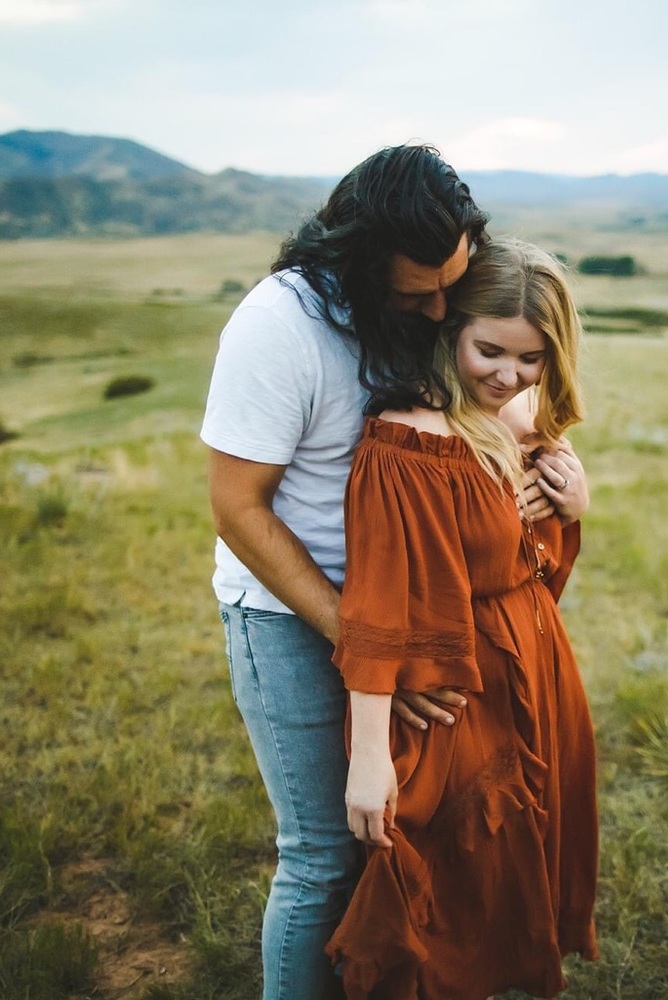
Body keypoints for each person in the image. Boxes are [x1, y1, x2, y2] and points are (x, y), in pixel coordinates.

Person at [200, 145, 559, 1000]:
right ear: (354, 260)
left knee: (396, 849)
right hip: (290, 616)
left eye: (451, 285)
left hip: (406, 612)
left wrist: (560, 468)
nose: (440, 309)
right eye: (418, 293)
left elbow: (495, 398)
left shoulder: (430, 300)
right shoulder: (277, 326)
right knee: (324, 856)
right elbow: (237, 508)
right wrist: (372, 646)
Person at [325, 237, 599, 1000]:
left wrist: (573, 505)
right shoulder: (407, 441)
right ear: (450, 329)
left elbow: (529, 567)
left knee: (510, 884)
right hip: (459, 698)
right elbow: (376, 606)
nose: (508, 377)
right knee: (442, 904)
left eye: (532, 359)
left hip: (536, 680)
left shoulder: (511, 423)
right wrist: (370, 754)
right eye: (490, 350)